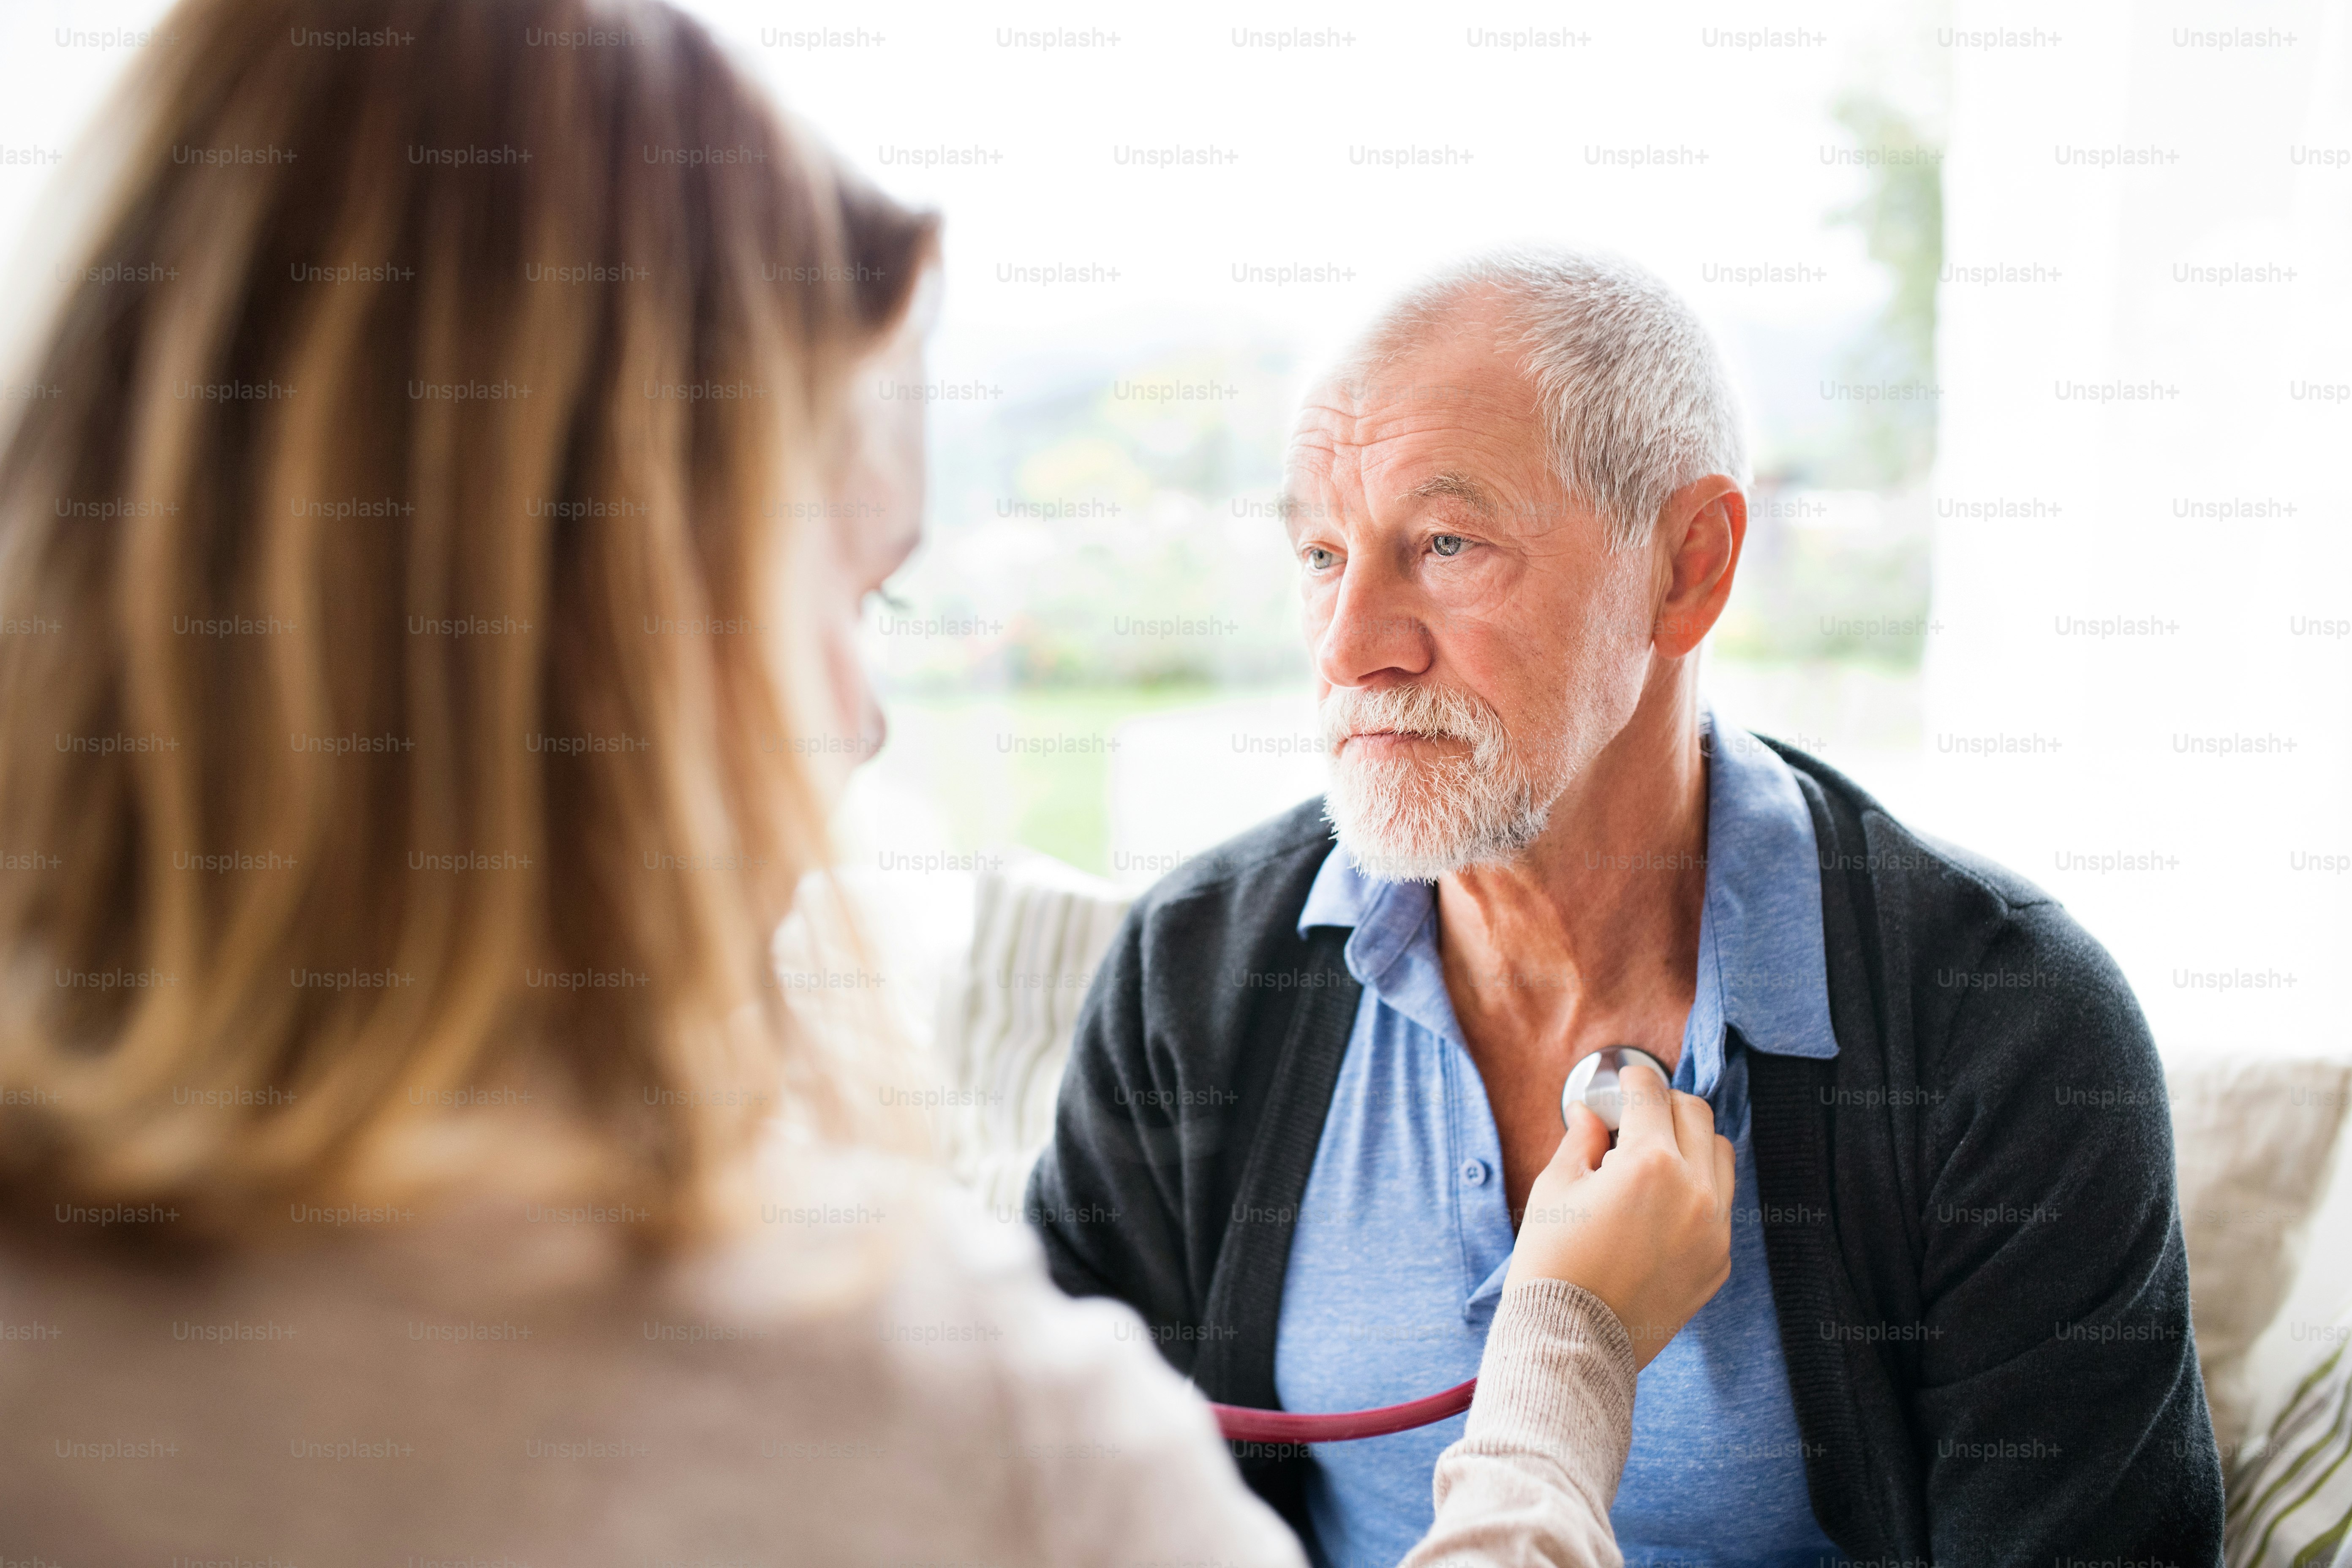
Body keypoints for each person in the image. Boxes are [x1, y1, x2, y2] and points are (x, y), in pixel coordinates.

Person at [0, 3, 1735, 1563]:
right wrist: (1563, 1359)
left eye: (1445, 543)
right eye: (842, 589)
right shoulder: (927, 1409)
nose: (857, 716)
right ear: (616, 629)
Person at [1026, 249, 2229, 1566]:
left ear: (1689, 568)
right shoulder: (1192, 978)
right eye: (1322, 553)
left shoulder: (2008, 1033)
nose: (1351, 643)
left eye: (1445, 543)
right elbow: (1038, 1503)